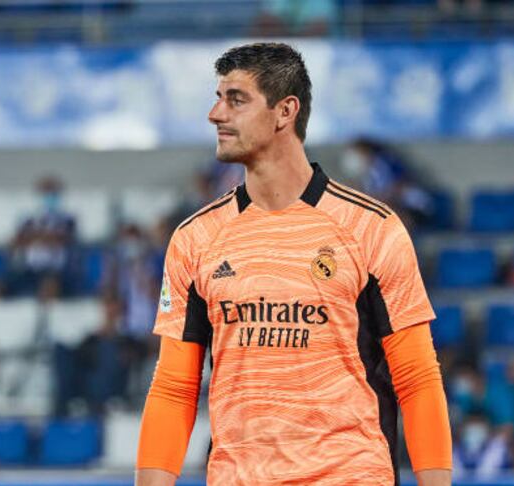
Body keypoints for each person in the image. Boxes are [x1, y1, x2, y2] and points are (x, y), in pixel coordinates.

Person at [136, 43, 452, 486]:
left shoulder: (372, 229)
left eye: (235, 99)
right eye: (217, 97)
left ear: (285, 112)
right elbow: (174, 387)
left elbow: (417, 378)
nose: (215, 114)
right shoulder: (195, 238)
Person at [3, 176, 77, 300]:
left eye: (52, 192)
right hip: (29, 268)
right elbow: (17, 240)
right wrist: (45, 237)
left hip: (56, 270)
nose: (48, 195)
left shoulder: (68, 218)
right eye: (45, 192)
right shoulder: (28, 217)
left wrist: (34, 237)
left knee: (49, 286)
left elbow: (64, 240)